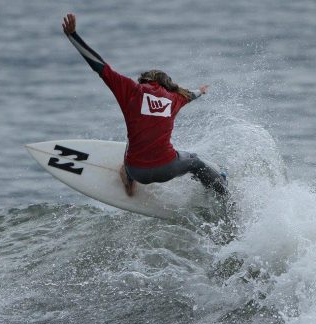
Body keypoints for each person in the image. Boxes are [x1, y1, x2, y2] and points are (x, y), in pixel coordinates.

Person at [61, 13, 228, 198]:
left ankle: (127, 179)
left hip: (136, 170)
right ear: (165, 84)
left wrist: (73, 36)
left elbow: (100, 66)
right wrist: (201, 90)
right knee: (195, 162)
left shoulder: (132, 91)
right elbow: (190, 95)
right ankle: (224, 195)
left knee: (131, 141)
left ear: (145, 80)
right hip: (168, 169)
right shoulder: (174, 98)